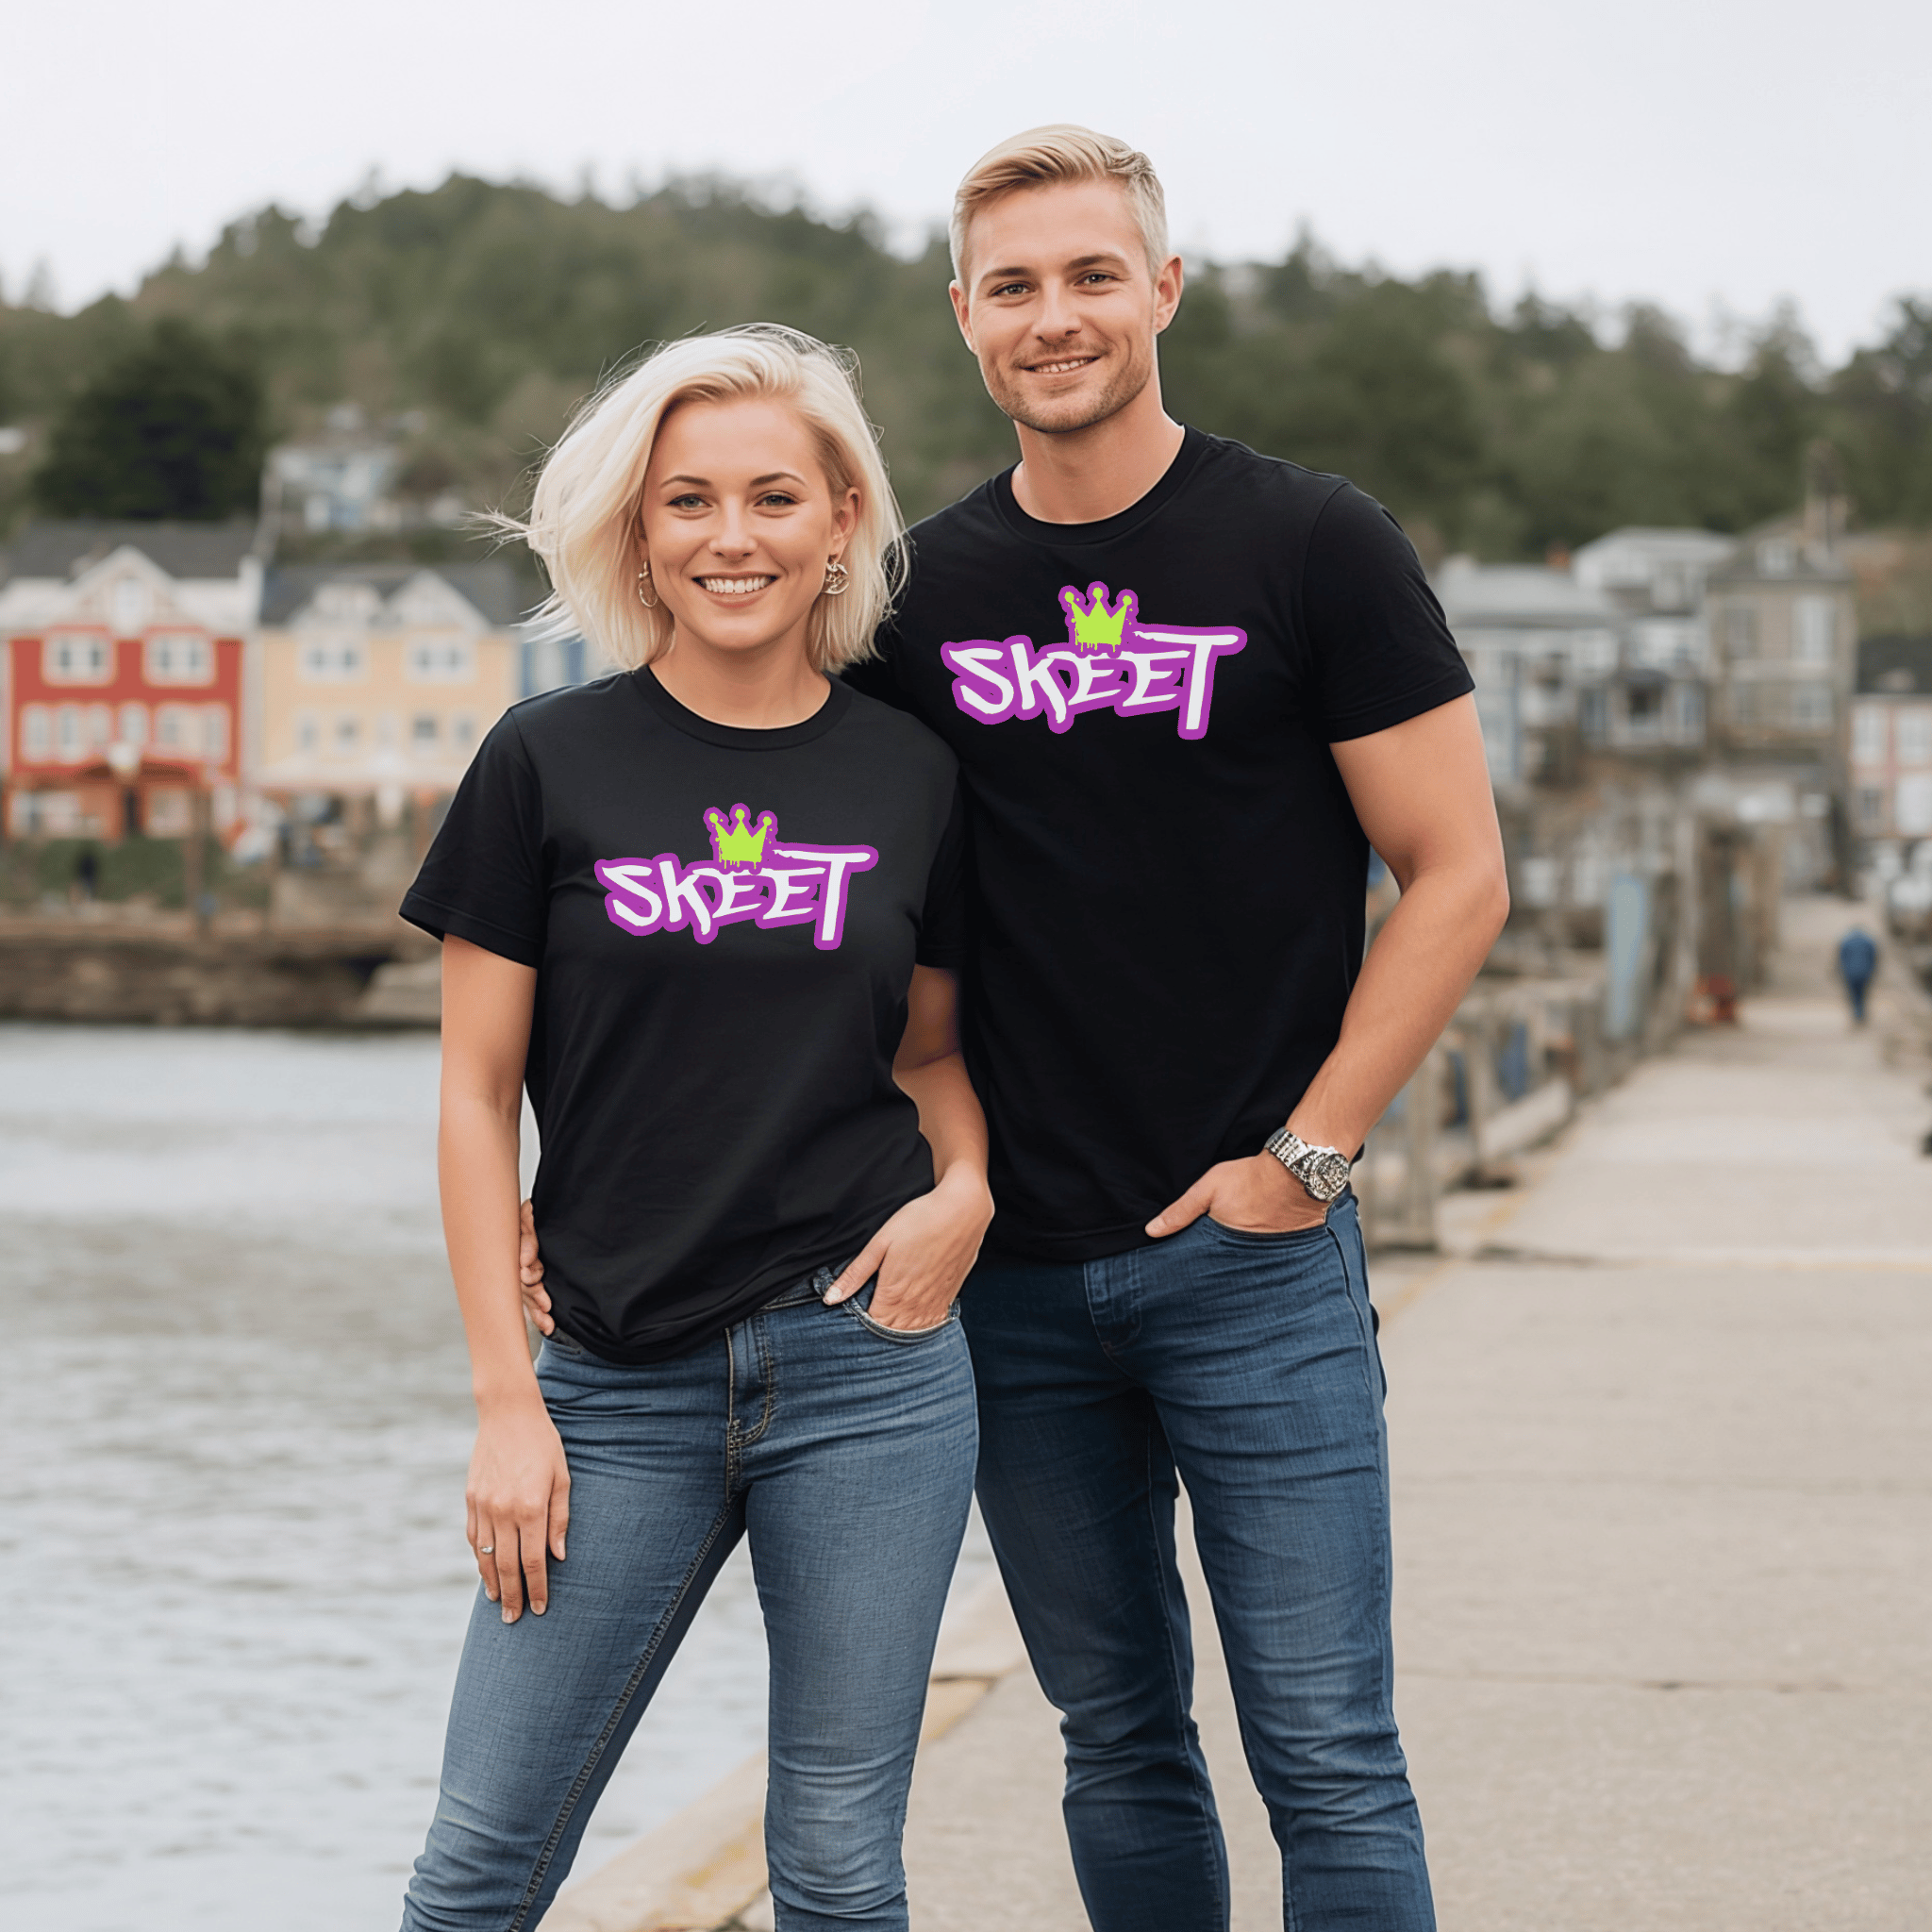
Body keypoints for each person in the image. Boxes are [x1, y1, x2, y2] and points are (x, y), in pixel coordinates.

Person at [525, 127, 1508, 1932]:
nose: (1052, 316)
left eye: (1088, 276)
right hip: (1003, 1281)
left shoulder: (1310, 543)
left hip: (1253, 1260)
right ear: (964, 317)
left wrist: (1302, 1160)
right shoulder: (915, 599)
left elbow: (1454, 874)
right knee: (1115, 1734)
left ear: (1162, 290)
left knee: (1325, 1749)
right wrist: (573, 1185)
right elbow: (777, 906)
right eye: (1012, 287)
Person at [398, 325, 992, 1932]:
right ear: (639, 530)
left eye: (773, 497)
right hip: (609, 1378)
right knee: (476, 1870)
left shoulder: (914, 774)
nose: (733, 537)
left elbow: (930, 1050)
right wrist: (505, 1404)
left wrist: (968, 1186)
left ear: (839, 519)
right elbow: (474, 1095)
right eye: (689, 500)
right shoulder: (542, 762)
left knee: (841, 1869)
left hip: (869, 1371)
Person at [1838, 926, 1877, 1024]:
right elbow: (1874, 958)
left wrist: (1841, 972)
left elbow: (1841, 958)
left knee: (1853, 995)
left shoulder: (1846, 942)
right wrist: (1872, 971)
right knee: (1863, 994)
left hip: (1850, 973)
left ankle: (1857, 1015)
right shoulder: (1868, 942)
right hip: (1865, 973)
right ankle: (1861, 1015)